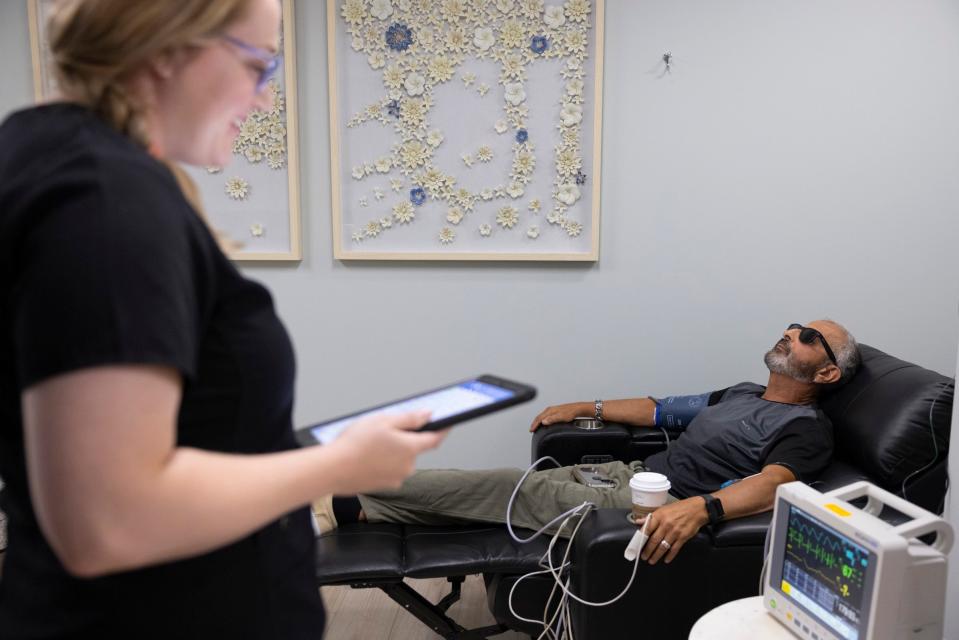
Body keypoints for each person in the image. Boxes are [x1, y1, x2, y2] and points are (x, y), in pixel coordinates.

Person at [0, 1, 446, 637]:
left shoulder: (47, 152)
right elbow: (108, 520)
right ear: (166, 49)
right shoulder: (104, 200)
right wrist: (338, 467)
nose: (264, 99)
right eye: (257, 65)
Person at [323, 320, 860, 566]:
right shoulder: (740, 394)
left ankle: (335, 499)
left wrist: (705, 507)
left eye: (809, 338)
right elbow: (658, 407)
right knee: (504, 494)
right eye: (793, 327)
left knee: (506, 487)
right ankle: (358, 508)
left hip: (654, 507)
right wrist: (586, 407)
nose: (792, 335)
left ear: (828, 374)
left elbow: (774, 486)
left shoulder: (806, 428)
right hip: (629, 476)